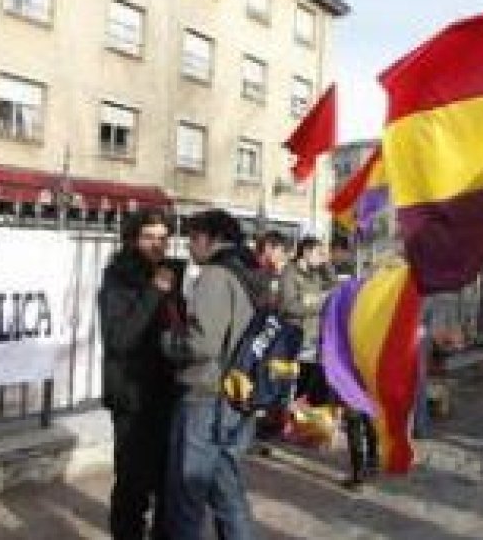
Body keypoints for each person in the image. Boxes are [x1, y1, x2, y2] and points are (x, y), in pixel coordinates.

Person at [164, 210, 258, 540]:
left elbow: (202, 343)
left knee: (187, 496)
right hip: (236, 396)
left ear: (209, 238)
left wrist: (166, 340)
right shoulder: (249, 271)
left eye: (192, 238)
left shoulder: (216, 275)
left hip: (207, 396)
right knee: (226, 492)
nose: (189, 247)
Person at [98, 209, 179, 539]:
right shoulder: (118, 278)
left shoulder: (168, 274)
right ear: (132, 239)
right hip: (132, 396)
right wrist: (154, 293)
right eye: (149, 237)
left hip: (166, 391)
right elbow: (120, 338)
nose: (157, 245)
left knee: (166, 480)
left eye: (163, 238)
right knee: (132, 483)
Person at [279, 236, 336, 406]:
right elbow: (289, 306)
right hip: (297, 338)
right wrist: (319, 303)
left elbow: (333, 286)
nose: (321, 257)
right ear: (306, 252)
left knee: (314, 388)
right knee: (298, 388)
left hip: (315, 339)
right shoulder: (290, 272)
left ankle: (306, 422)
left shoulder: (317, 273)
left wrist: (326, 263)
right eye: (318, 253)